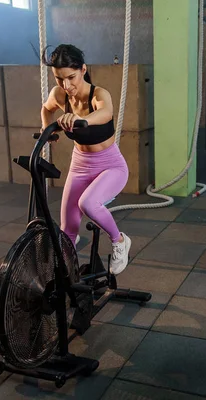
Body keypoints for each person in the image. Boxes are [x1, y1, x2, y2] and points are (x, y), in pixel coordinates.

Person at [39, 44, 131, 275]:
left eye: (71, 77)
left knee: (88, 203)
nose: (66, 86)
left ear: (83, 69)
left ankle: (119, 241)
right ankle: (65, 277)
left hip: (111, 166)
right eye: (60, 79)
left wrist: (81, 119)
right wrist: (46, 130)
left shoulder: (98, 95)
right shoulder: (59, 94)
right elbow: (46, 109)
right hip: (80, 166)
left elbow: (106, 113)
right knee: (68, 228)